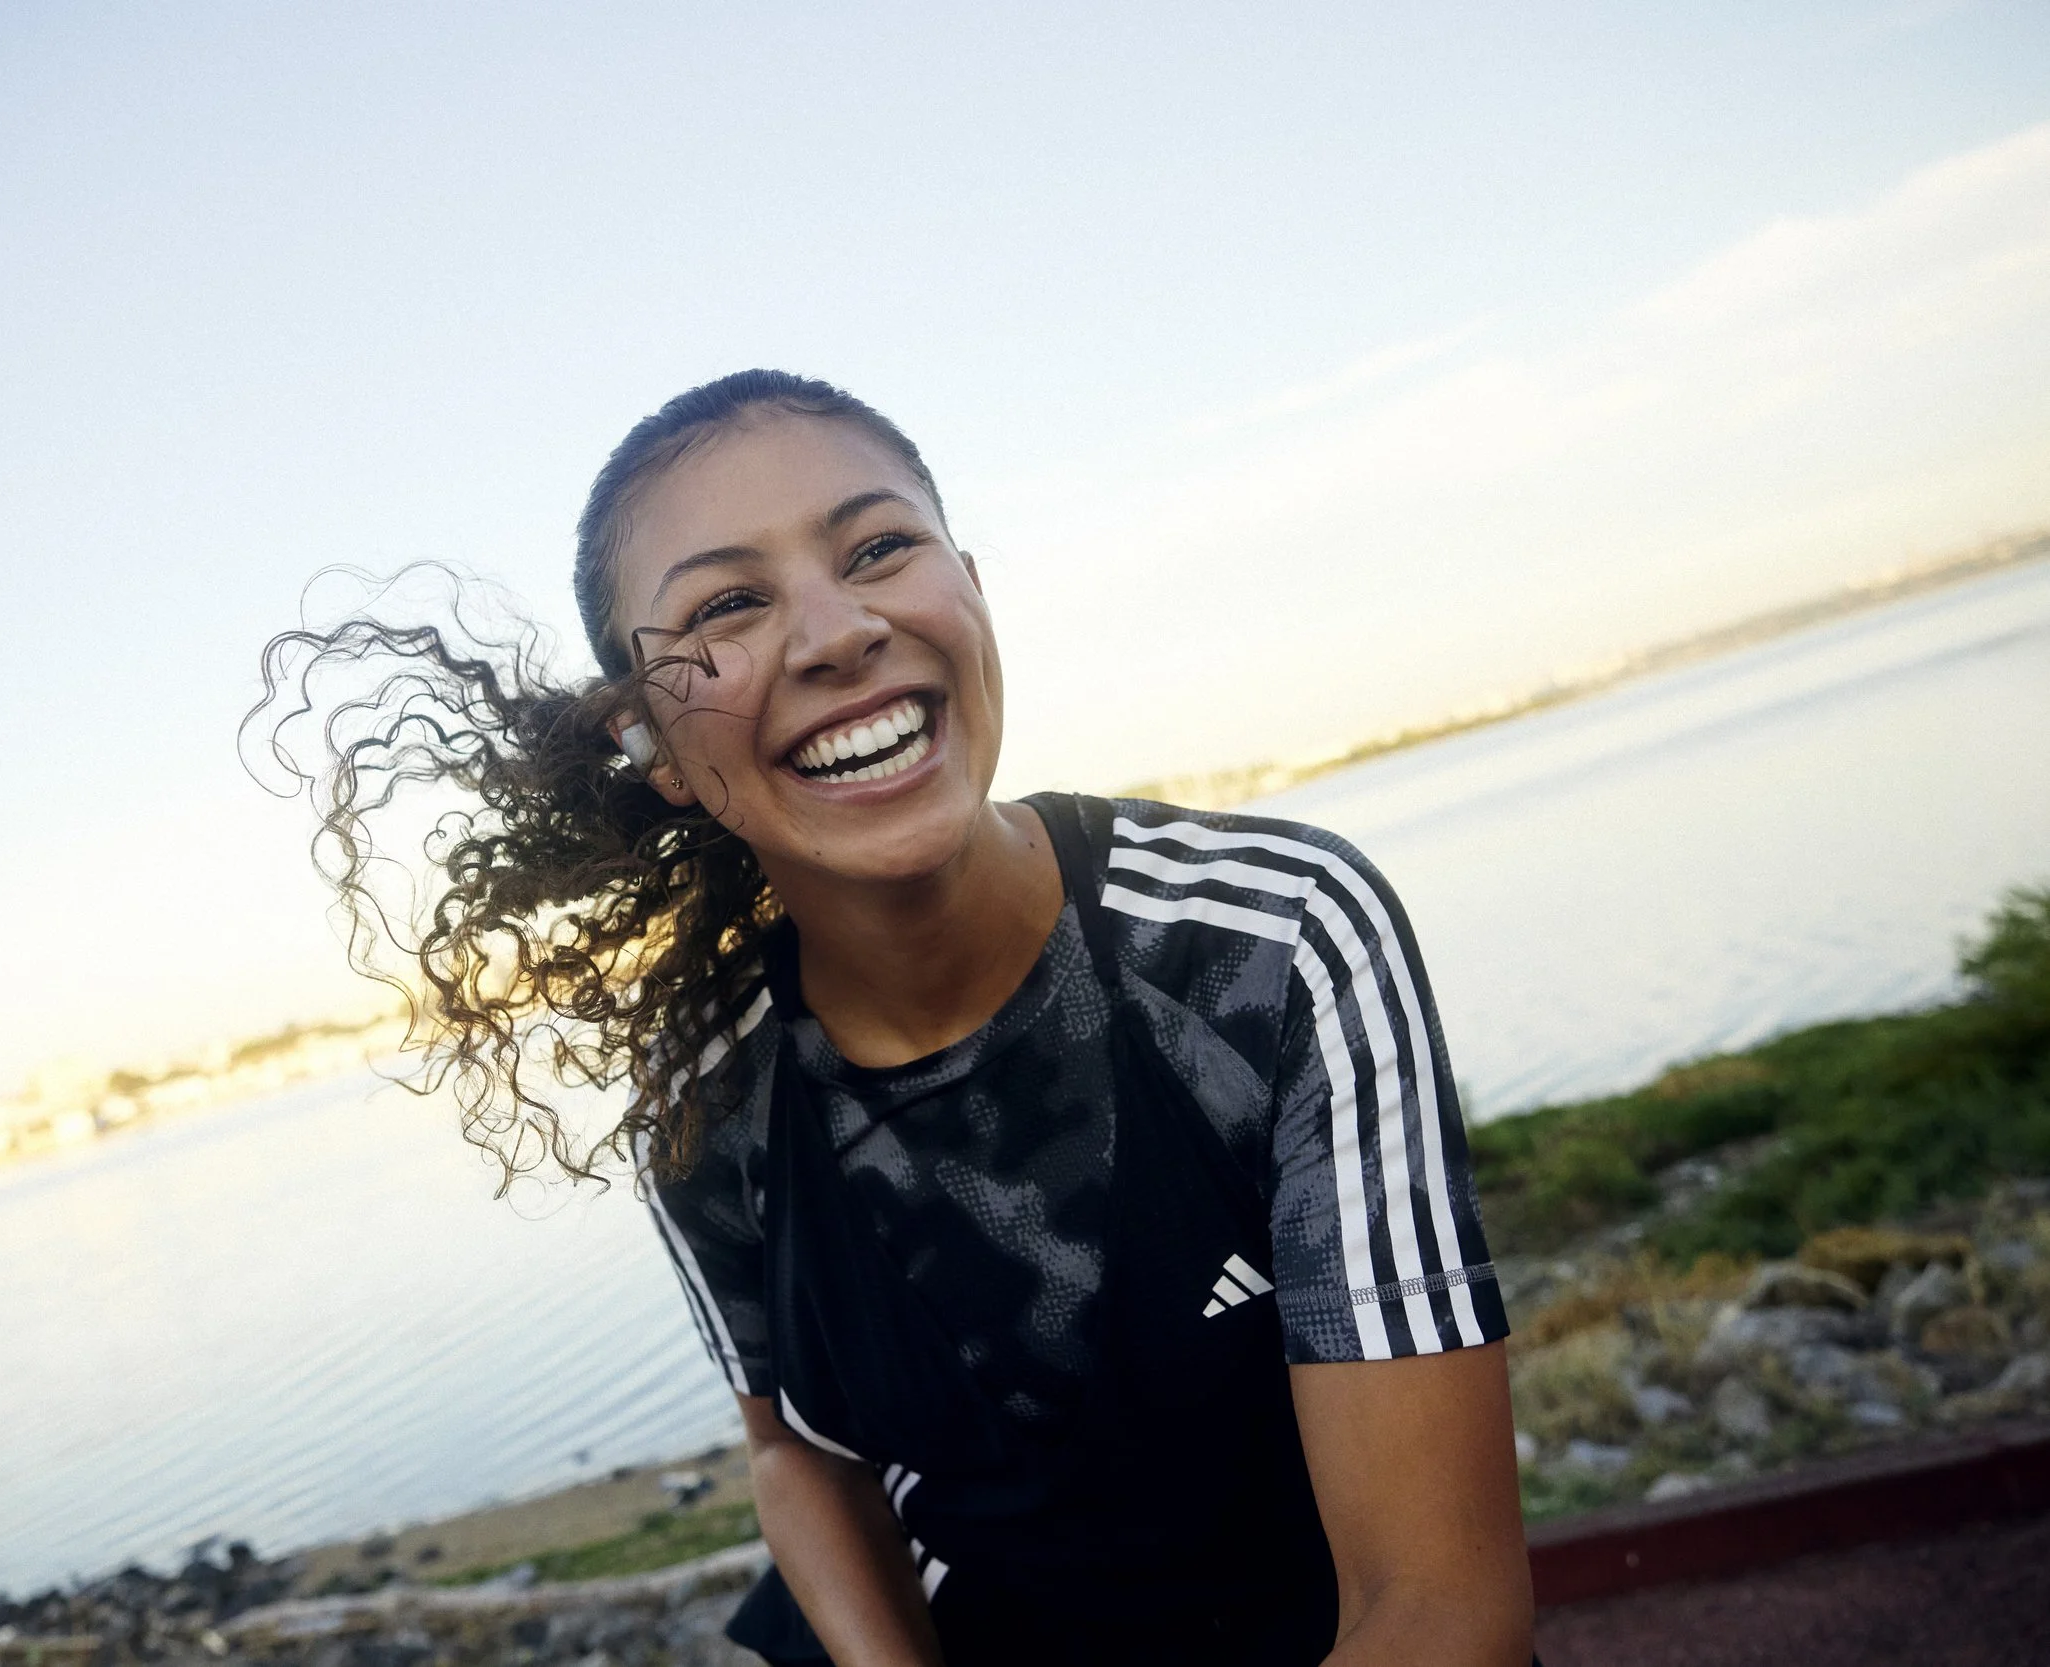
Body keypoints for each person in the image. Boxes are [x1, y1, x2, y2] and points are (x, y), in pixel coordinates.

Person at [257, 370, 1533, 1665]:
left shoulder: (1268, 946)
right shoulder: (710, 1088)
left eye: (879, 547)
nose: (835, 629)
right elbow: (792, 1451)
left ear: (968, 585)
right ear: (647, 739)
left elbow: (1443, 1606)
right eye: (730, 604)